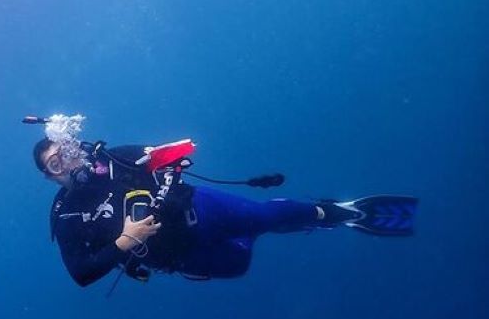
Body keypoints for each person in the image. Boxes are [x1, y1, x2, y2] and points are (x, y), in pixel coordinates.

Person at [29, 116, 417, 289]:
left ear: (75, 145)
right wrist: (125, 242)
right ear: (49, 178)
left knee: (265, 216)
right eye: (54, 165)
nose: (65, 164)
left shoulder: (115, 159)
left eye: (64, 152)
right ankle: (270, 228)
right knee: (240, 262)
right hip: (177, 254)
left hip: (200, 206)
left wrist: (171, 156)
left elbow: (167, 155)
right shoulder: (67, 216)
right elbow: (80, 273)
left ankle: (333, 212)